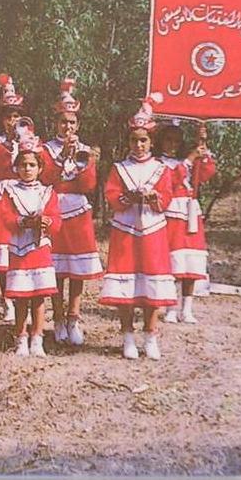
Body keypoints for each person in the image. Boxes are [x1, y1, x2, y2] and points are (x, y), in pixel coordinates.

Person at [99, 94, 176, 360]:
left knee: (151, 283)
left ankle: (151, 335)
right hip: (126, 230)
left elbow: (167, 197)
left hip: (152, 230)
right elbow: (111, 195)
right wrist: (127, 198)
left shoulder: (161, 169)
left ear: (151, 142)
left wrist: (156, 198)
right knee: (126, 285)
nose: (139, 145)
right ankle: (127, 336)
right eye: (135, 140)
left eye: (144, 140)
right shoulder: (120, 168)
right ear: (129, 141)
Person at [39, 79, 103, 346]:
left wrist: (84, 161)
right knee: (56, 268)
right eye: (63, 122)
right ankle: (58, 317)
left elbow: (88, 185)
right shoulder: (45, 149)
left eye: (72, 123)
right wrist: (61, 156)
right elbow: (45, 179)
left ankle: (74, 317)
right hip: (54, 207)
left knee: (76, 268)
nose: (68, 127)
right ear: (56, 123)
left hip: (77, 211)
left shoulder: (85, 150)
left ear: (78, 125)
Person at [0, 128, 61, 357]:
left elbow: (57, 220)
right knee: (20, 298)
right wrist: (22, 221)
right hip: (19, 250)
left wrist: (46, 222)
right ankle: (21, 337)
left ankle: (37, 338)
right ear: (16, 167)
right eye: (23, 165)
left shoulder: (47, 192)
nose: (27, 169)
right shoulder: (10, 191)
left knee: (39, 297)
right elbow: (5, 218)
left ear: (40, 168)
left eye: (32, 165)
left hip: (39, 249)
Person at [156, 120, 216, 324]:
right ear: (161, 141)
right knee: (175, 261)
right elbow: (170, 180)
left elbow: (207, 173)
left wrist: (203, 149)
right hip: (172, 214)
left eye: (176, 141)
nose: (172, 145)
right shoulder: (158, 163)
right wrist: (190, 159)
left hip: (190, 213)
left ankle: (187, 309)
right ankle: (171, 308)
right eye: (168, 140)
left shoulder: (187, 161)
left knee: (192, 260)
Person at [0, 73, 32, 322]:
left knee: (21, 246)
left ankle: (22, 292)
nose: (12, 122)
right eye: (8, 117)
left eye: (16, 117)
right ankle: (7, 299)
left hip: (24, 194)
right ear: (2, 120)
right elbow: (1, 164)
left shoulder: (30, 139)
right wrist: (13, 144)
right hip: (3, 195)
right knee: (2, 248)